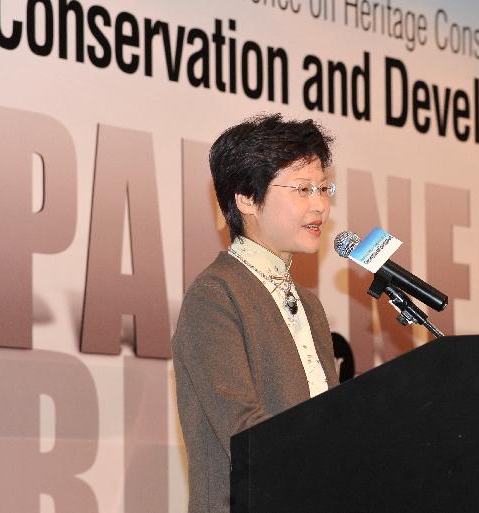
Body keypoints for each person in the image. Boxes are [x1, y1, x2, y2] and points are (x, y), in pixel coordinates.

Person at [172, 113, 340, 513]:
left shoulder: (309, 303)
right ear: (245, 198)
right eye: (302, 189)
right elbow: (246, 433)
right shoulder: (215, 296)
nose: (320, 204)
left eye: (323, 188)